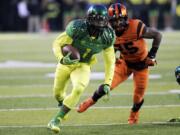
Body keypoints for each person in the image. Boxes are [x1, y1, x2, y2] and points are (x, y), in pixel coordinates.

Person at [77, 3, 162, 125]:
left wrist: (152, 55)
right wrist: (114, 56)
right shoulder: (109, 33)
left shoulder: (136, 26)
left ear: (126, 18)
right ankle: (89, 101)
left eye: (120, 20)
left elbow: (158, 35)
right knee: (107, 85)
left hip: (141, 65)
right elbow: (114, 47)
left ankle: (134, 114)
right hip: (124, 63)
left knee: (138, 96)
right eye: (114, 21)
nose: (117, 24)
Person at [47, 4, 115, 133]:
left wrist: (108, 82)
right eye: (96, 19)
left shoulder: (108, 35)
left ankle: (56, 119)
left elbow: (110, 61)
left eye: (102, 19)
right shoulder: (77, 28)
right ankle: (62, 103)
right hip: (67, 63)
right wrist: (61, 58)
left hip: (84, 65)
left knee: (78, 89)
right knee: (57, 93)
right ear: (89, 18)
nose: (100, 23)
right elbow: (57, 42)